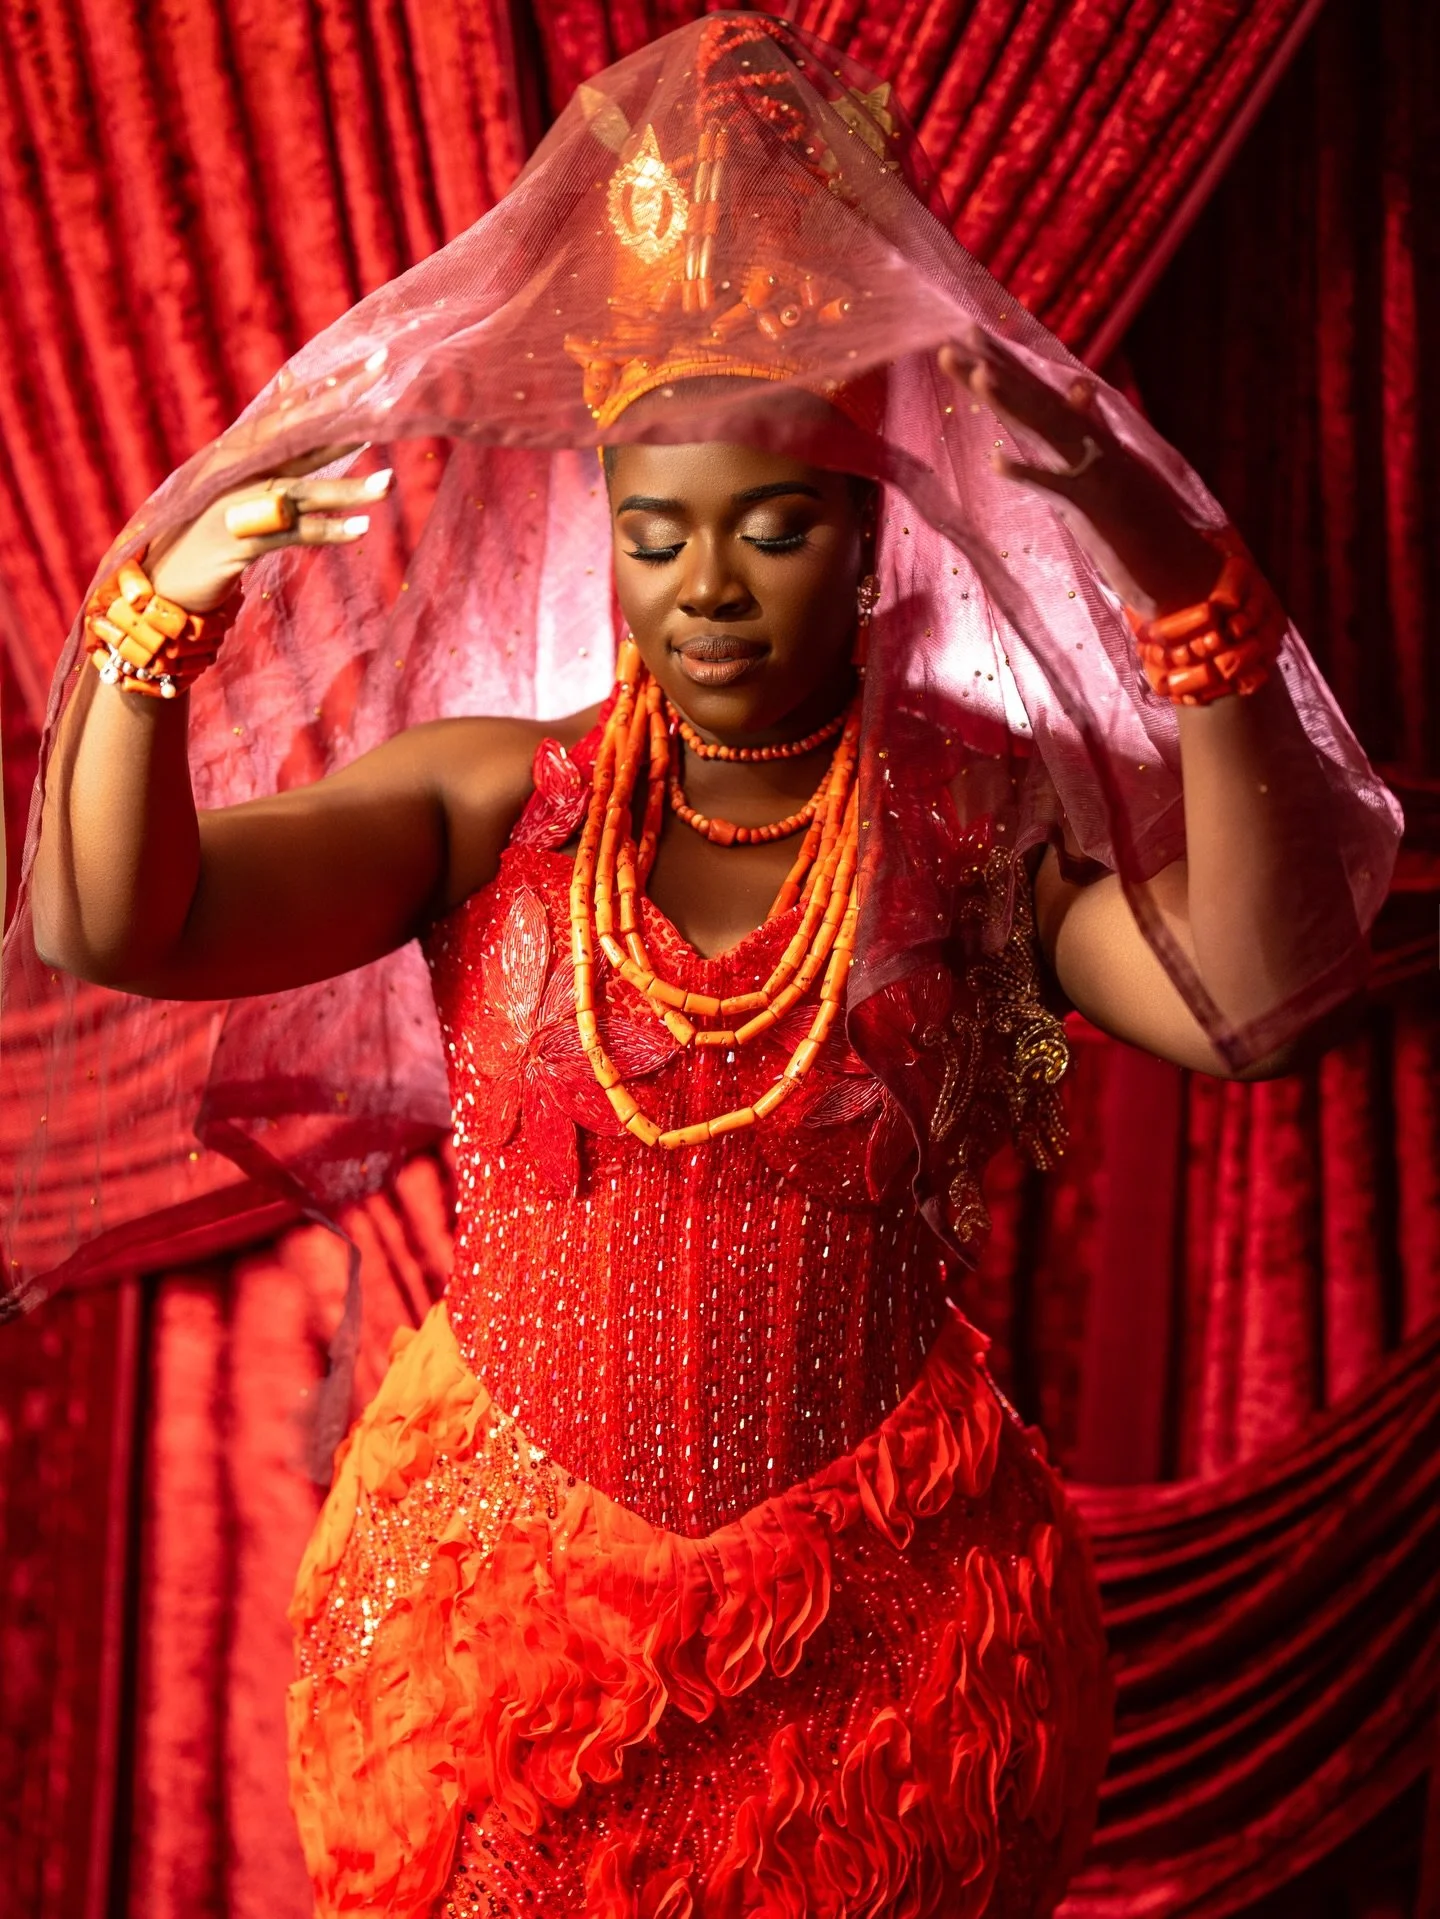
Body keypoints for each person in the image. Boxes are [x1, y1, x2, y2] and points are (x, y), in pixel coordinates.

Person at [11, 14, 1400, 1916]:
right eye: (657, 535)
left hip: (894, 1658)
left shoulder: (975, 818)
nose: (710, 588)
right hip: (489, 1656)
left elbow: (1248, 1003)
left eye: (772, 527)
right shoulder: (486, 800)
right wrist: (151, 624)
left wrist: (1195, 606)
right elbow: (117, 923)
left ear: (870, 537)